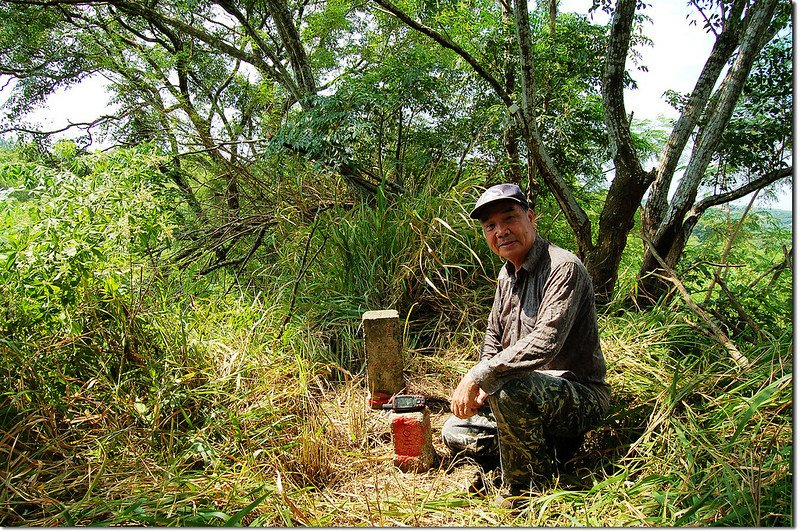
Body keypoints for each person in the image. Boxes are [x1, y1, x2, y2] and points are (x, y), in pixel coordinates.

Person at [442, 183, 610, 507]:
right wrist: (482, 388)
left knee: (508, 387)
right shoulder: (506, 276)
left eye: (509, 219)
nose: (501, 231)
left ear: (530, 217)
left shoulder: (563, 267)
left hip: (579, 397)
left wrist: (478, 376)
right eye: (490, 226)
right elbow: (493, 337)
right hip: (526, 399)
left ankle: (526, 488)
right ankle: (547, 450)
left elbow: (546, 342)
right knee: (454, 430)